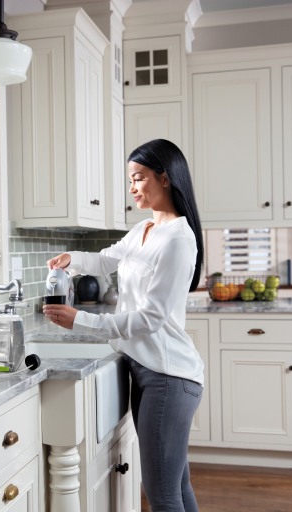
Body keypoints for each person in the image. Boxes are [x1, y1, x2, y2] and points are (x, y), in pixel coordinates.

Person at [43, 139, 205, 512]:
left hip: (169, 376)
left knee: (162, 492)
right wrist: (73, 259)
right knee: (175, 484)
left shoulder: (179, 240)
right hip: (149, 372)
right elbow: (104, 260)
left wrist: (80, 319)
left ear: (165, 178)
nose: (132, 188)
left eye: (138, 178)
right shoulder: (144, 229)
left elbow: (150, 320)